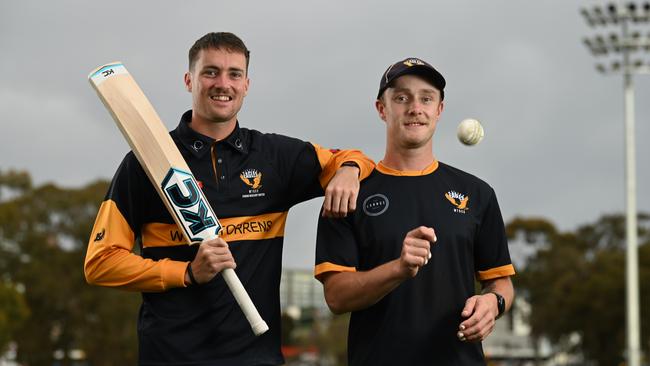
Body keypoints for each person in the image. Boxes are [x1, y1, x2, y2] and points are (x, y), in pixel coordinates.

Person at [84, 32, 374, 366]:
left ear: (246, 84)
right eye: (211, 72)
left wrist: (349, 170)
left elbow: (353, 158)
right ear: (189, 79)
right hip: (170, 356)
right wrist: (188, 272)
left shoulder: (274, 157)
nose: (223, 83)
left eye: (234, 74)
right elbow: (101, 262)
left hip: (257, 357)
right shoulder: (143, 164)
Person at [314, 57, 515, 365]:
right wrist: (398, 269)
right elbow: (337, 297)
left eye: (426, 98)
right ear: (382, 109)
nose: (415, 108)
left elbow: (501, 283)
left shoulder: (477, 194)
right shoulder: (347, 193)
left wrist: (493, 302)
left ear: (439, 110)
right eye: (401, 98)